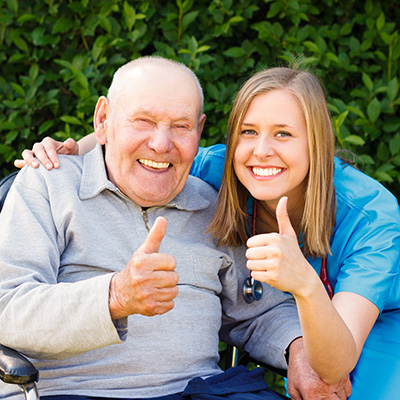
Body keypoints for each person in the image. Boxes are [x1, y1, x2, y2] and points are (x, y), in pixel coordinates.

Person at [18, 65, 400, 400]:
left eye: (283, 134)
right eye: (248, 132)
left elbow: (296, 337)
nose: (261, 151)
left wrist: (299, 334)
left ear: (317, 143)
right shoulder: (215, 170)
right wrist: (68, 151)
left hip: (373, 320)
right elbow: (149, 146)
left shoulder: (369, 215)